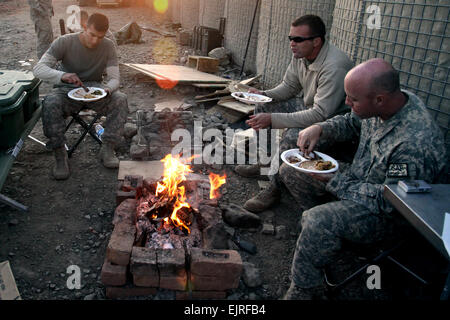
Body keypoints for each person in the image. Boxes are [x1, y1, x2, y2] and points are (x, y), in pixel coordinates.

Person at [280, 58, 447, 299]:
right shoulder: (385, 102)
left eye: (353, 99)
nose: (347, 102)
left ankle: (305, 290)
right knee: (291, 171)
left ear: (379, 99)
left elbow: (392, 203)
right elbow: (351, 122)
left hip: (388, 215)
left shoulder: (414, 144)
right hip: (358, 181)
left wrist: (336, 180)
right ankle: (323, 239)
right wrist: (321, 128)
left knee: (317, 220)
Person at [235, 15, 354, 213]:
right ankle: (265, 162)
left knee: (291, 137)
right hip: (312, 109)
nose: (292, 43)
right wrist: (264, 95)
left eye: (298, 39)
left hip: (332, 123)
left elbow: (321, 114)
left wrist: (274, 120)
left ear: (316, 41)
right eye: (290, 38)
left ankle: (274, 187)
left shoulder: (334, 66)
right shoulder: (301, 55)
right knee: (263, 107)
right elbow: (289, 86)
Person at [33, 13, 128, 180]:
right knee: (50, 102)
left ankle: (107, 147)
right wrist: (62, 76)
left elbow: (114, 79)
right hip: (66, 89)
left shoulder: (108, 46)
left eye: (100, 37)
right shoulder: (64, 41)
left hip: (95, 89)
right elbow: (39, 69)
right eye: (92, 35)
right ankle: (60, 153)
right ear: (84, 28)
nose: (95, 41)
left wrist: (107, 89)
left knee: (120, 99)